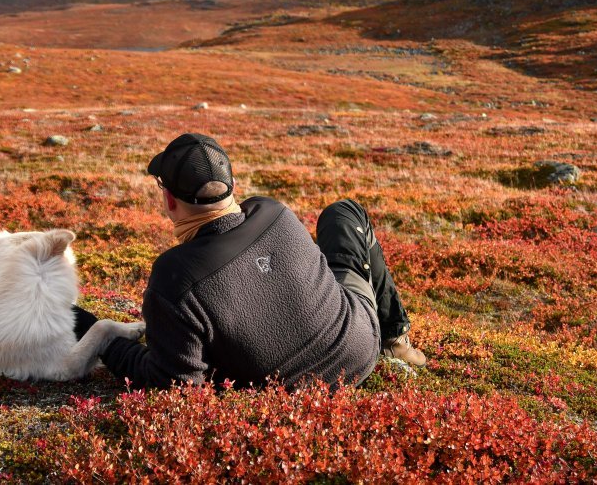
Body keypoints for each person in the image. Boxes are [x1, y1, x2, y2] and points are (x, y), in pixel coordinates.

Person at [75, 133, 426, 389]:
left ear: (169, 200)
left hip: (292, 393)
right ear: (232, 185)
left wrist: (103, 338)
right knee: (344, 213)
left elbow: (173, 384)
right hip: (359, 347)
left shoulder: (174, 277)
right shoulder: (273, 211)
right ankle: (394, 339)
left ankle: (393, 340)